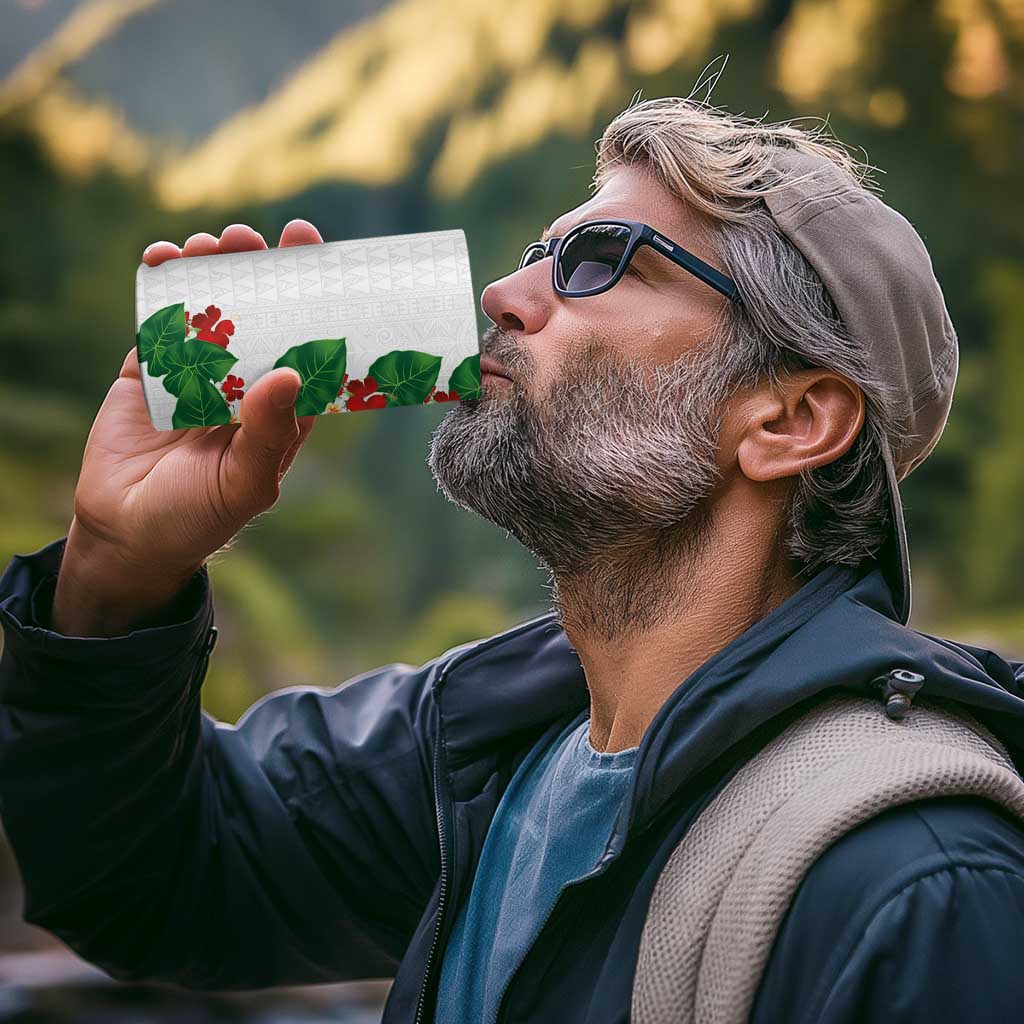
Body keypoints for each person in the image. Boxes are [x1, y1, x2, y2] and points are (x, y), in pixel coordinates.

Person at [2, 95, 1024, 1024]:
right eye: (540, 252)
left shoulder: (918, 883)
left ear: (791, 419)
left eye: (600, 261)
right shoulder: (479, 749)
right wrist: (116, 571)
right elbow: (149, 880)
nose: (504, 290)